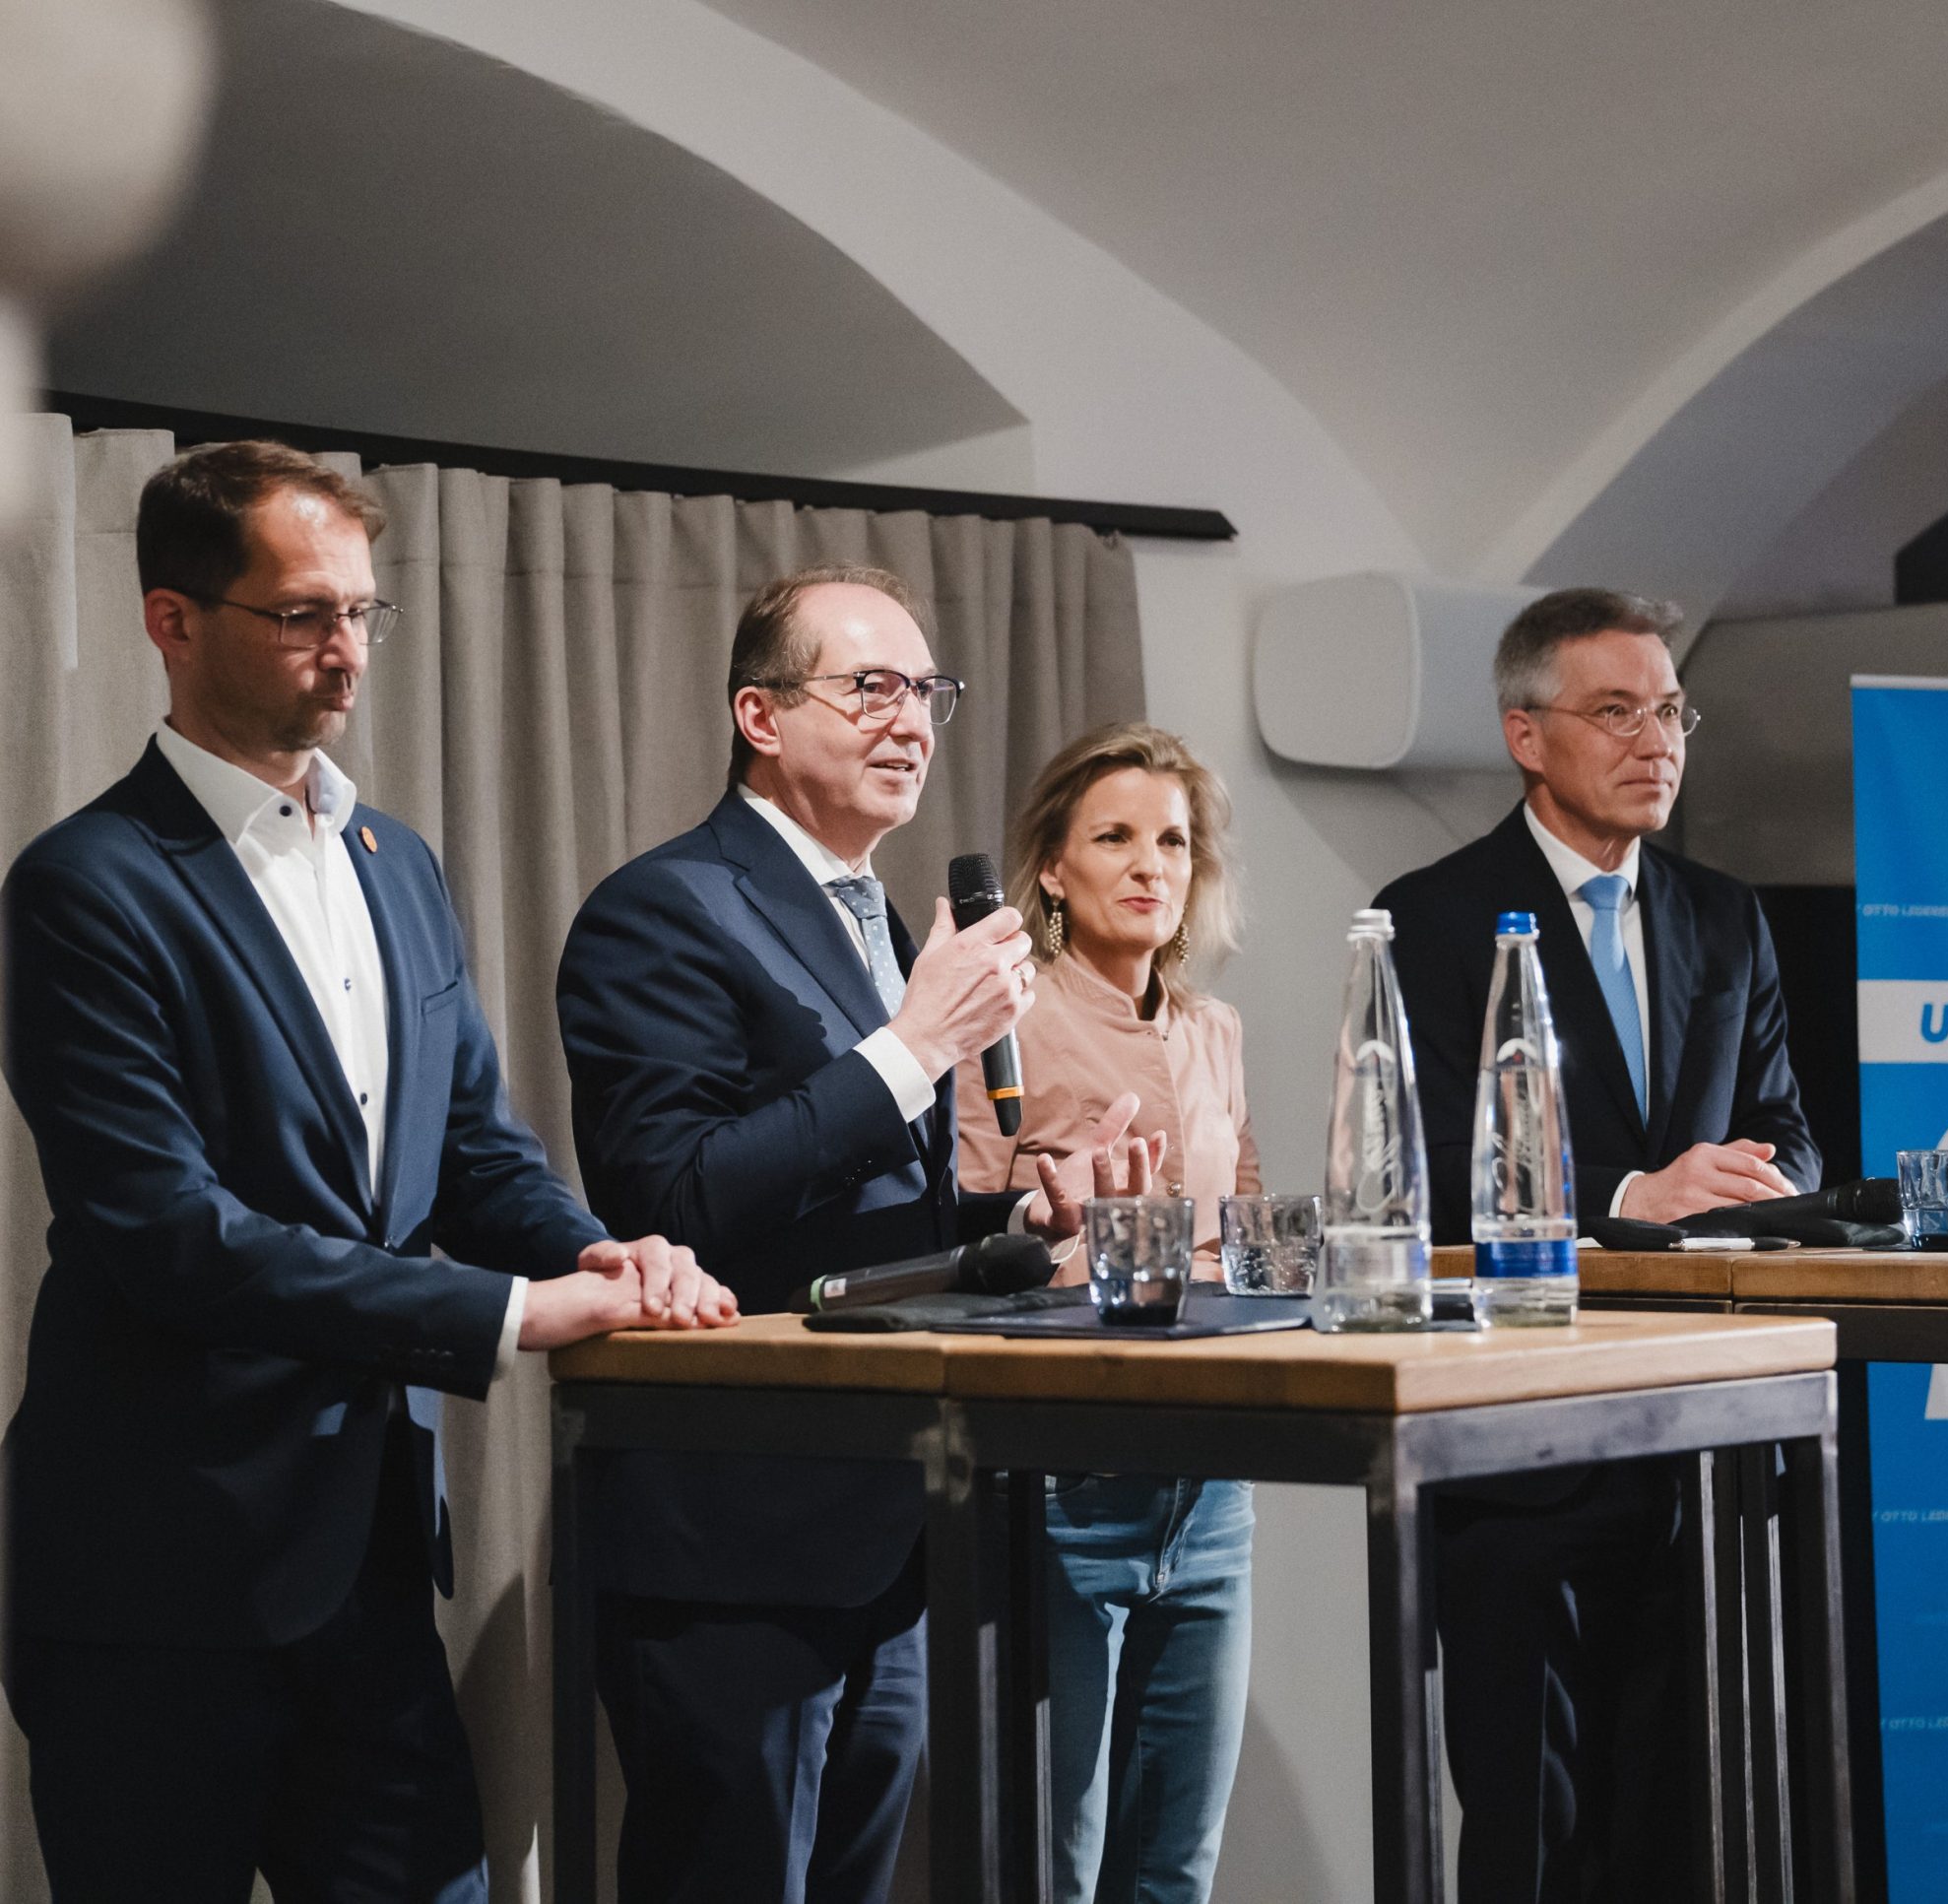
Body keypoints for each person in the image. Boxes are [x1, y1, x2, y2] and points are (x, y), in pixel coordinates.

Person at [0, 439, 739, 1904]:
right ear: (173, 620)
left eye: (361, 613)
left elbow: (472, 1147)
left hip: (374, 1558)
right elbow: (169, 1233)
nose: (343, 651)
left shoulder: (400, 861)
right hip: (154, 1579)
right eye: (300, 614)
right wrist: (504, 1315)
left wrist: (587, 1250)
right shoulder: (83, 886)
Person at [555, 564, 1162, 1904]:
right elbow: (676, 1197)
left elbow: (875, 1219)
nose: (912, 722)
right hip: (735, 1522)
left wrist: (1025, 1209)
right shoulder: (662, 909)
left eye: (927, 690)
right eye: (869, 687)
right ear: (761, 716)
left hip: (887, 1520)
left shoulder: (877, 918)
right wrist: (912, 1044)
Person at [1374, 585, 1821, 1903]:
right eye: (1616, 710)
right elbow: (1436, 1190)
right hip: (1524, 1461)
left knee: (1692, 1835)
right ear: (1527, 734)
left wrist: (1759, 1182)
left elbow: (1790, 1134)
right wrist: (1639, 1193)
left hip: (1706, 1453)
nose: (1657, 739)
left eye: (1672, 708)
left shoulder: (1725, 914)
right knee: (1535, 1838)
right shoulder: (1434, 918)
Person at [958, 723, 1259, 1904]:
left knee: (1174, 1865)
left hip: (1211, 1482)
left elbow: (1244, 1238)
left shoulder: (1214, 1030)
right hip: (1063, 1482)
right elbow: (958, 1233)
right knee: (1056, 1865)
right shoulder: (1007, 1018)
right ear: (1050, 867)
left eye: (1174, 840)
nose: (1151, 863)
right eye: (1116, 836)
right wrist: (1057, 1226)